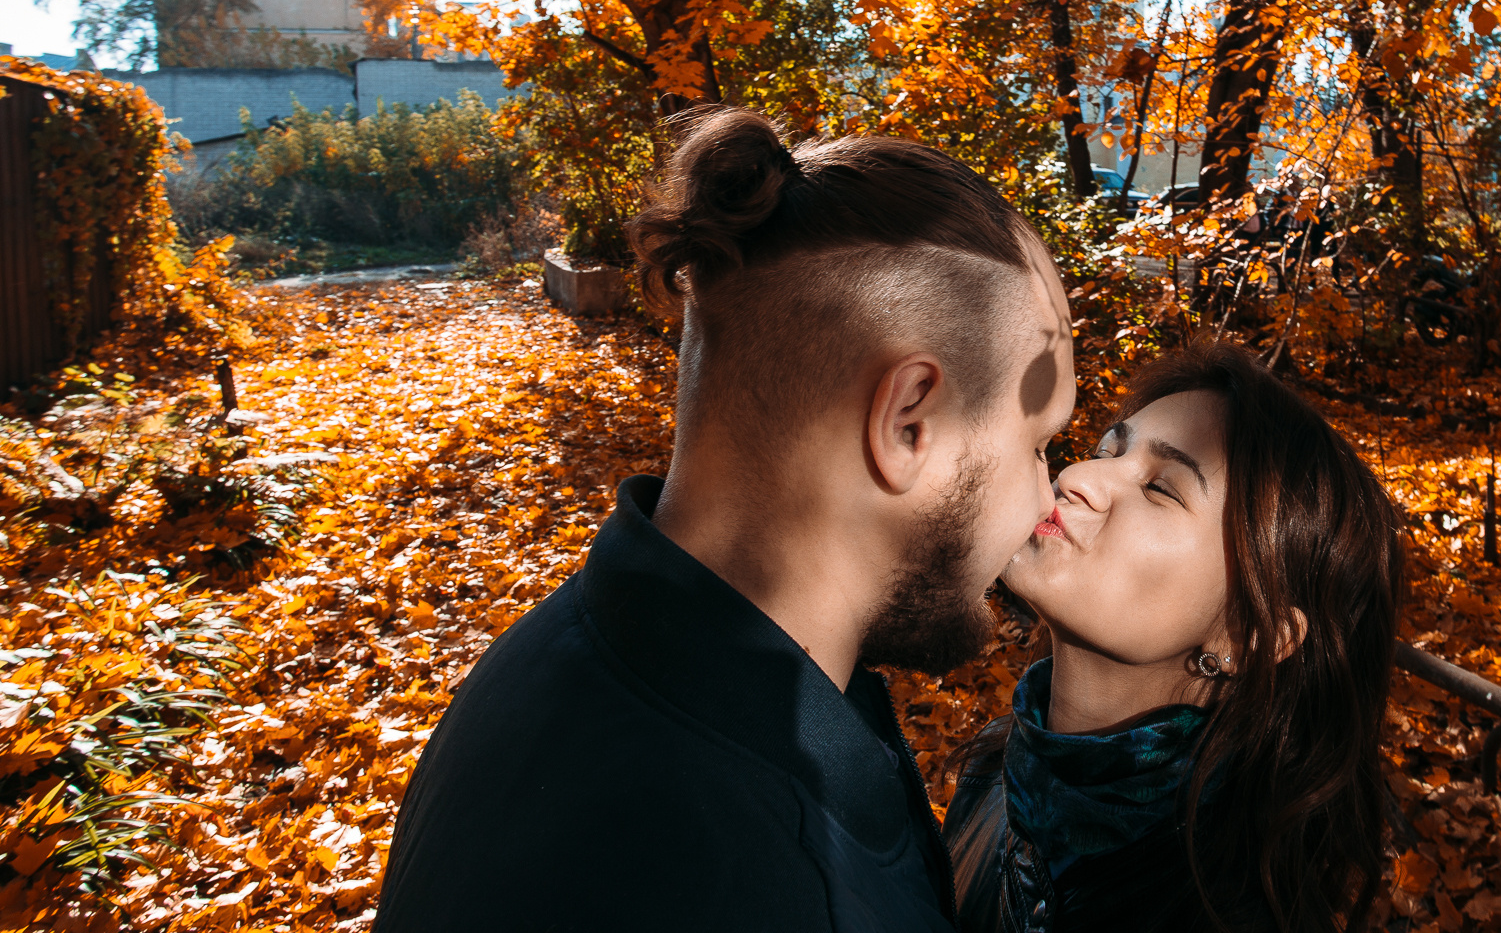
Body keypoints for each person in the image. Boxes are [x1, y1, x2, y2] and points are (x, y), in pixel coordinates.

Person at [375, 106, 1075, 933]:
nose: (1046, 502)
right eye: (1036, 444)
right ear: (908, 424)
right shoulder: (784, 887)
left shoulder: (551, 664)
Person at [944, 342, 1404, 933]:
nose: (1077, 477)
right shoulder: (992, 769)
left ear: (1250, 636)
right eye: (1104, 450)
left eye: (1162, 488)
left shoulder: (1223, 911)